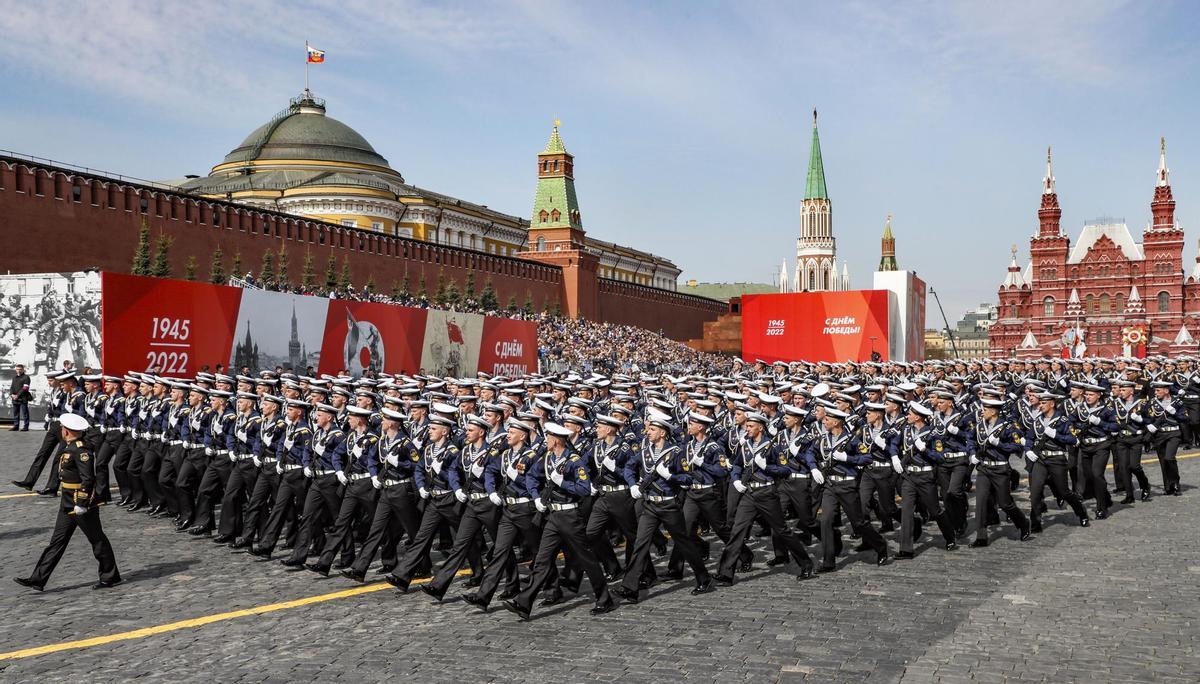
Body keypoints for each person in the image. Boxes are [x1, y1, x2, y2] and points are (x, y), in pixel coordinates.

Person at [14, 412, 121, 591]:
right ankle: (38, 578)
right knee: (57, 541)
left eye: (63, 428)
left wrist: (82, 503)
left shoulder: (81, 451)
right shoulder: (71, 446)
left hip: (81, 502)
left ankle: (110, 575)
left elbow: (88, 479)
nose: (61, 430)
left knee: (97, 539)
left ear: (67, 431)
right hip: (67, 500)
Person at [8, 363, 31, 431]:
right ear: (15, 370)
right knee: (16, 413)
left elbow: (25, 388)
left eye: (20, 369)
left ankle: (26, 427)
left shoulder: (26, 377)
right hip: (14, 398)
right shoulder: (14, 377)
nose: (18, 371)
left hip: (23, 398)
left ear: (23, 370)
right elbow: (12, 387)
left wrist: (17, 395)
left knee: (25, 413)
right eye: (17, 369)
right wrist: (12, 394)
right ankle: (16, 426)